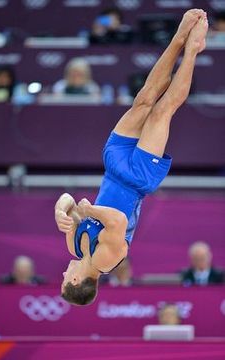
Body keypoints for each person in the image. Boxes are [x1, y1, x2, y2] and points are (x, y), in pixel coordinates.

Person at [55, 9, 209, 306]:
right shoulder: (106, 260)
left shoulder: (74, 247)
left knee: (144, 100)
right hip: (136, 179)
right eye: (64, 277)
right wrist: (87, 211)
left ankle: (177, 39)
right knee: (163, 111)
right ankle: (191, 52)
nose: (63, 271)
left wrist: (60, 211)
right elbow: (118, 219)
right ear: (76, 281)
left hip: (113, 168)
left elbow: (67, 200)